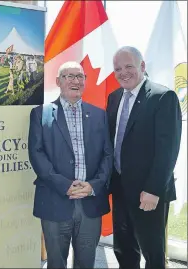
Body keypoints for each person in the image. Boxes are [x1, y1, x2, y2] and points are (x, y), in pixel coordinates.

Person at [28, 61, 113, 268]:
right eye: (69, 76)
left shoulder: (100, 115)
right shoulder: (41, 114)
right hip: (54, 201)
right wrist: (65, 185)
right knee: (56, 263)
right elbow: (36, 155)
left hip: (90, 202)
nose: (75, 81)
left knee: (86, 263)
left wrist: (93, 185)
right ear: (58, 81)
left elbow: (108, 155)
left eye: (80, 76)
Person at [107, 46, 182, 269]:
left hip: (148, 194)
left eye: (128, 66)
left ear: (142, 66)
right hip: (120, 189)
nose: (123, 72)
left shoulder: (162, 97)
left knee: (152, 253)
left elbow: (168, 150)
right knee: (124, 250)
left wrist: (154, 189)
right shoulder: (114, 97)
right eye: (118, 68)